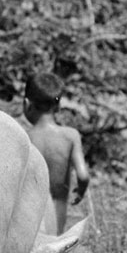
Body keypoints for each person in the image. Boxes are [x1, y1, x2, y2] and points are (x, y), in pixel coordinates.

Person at [22, 73, 89, 234]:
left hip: (29, 213)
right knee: (55, 252)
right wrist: (80, 191)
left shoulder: (24, 138)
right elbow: (83, 175)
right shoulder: (70, 136)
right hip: (58, 208)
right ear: (58, 106)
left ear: (26, 104)